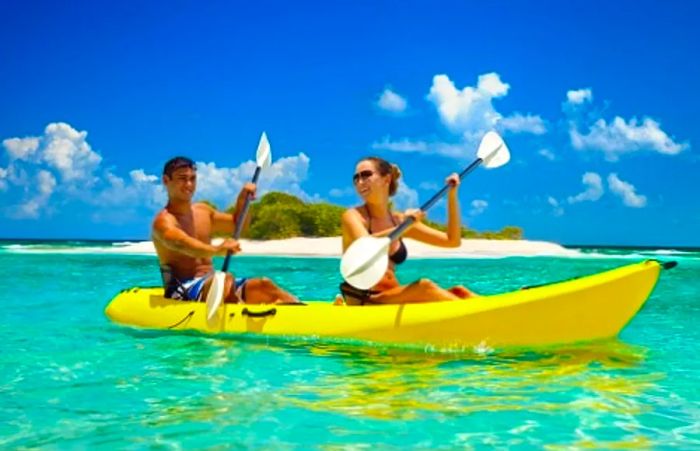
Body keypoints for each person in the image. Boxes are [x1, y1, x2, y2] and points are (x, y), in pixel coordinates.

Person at [152, 156, 299, 304]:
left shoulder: (203, 211)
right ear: (166, 180)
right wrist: (217, 250)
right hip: (182, 289)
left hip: (212, 283)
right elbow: (182, 244)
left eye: (193, 178)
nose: (189, 184)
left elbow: (238, 225)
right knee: (224, 279)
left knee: (264, 285)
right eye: (182, 178)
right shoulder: (163, 222)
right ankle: (237, 311)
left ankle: (301, 311)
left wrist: (242, 201)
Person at [339, 156, 477, 305]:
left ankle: (492, 314)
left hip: (392, 295)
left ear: (386, 179)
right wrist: (403, 227)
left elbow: (452, 241)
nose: (360, 182)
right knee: (424, 286)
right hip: (365, 299)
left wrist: (452, 194)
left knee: (459, 291)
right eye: (356, 178)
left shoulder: (400, 221)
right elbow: (364, 245)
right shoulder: (353, 216)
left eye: (366, 175)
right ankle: (479, 318)